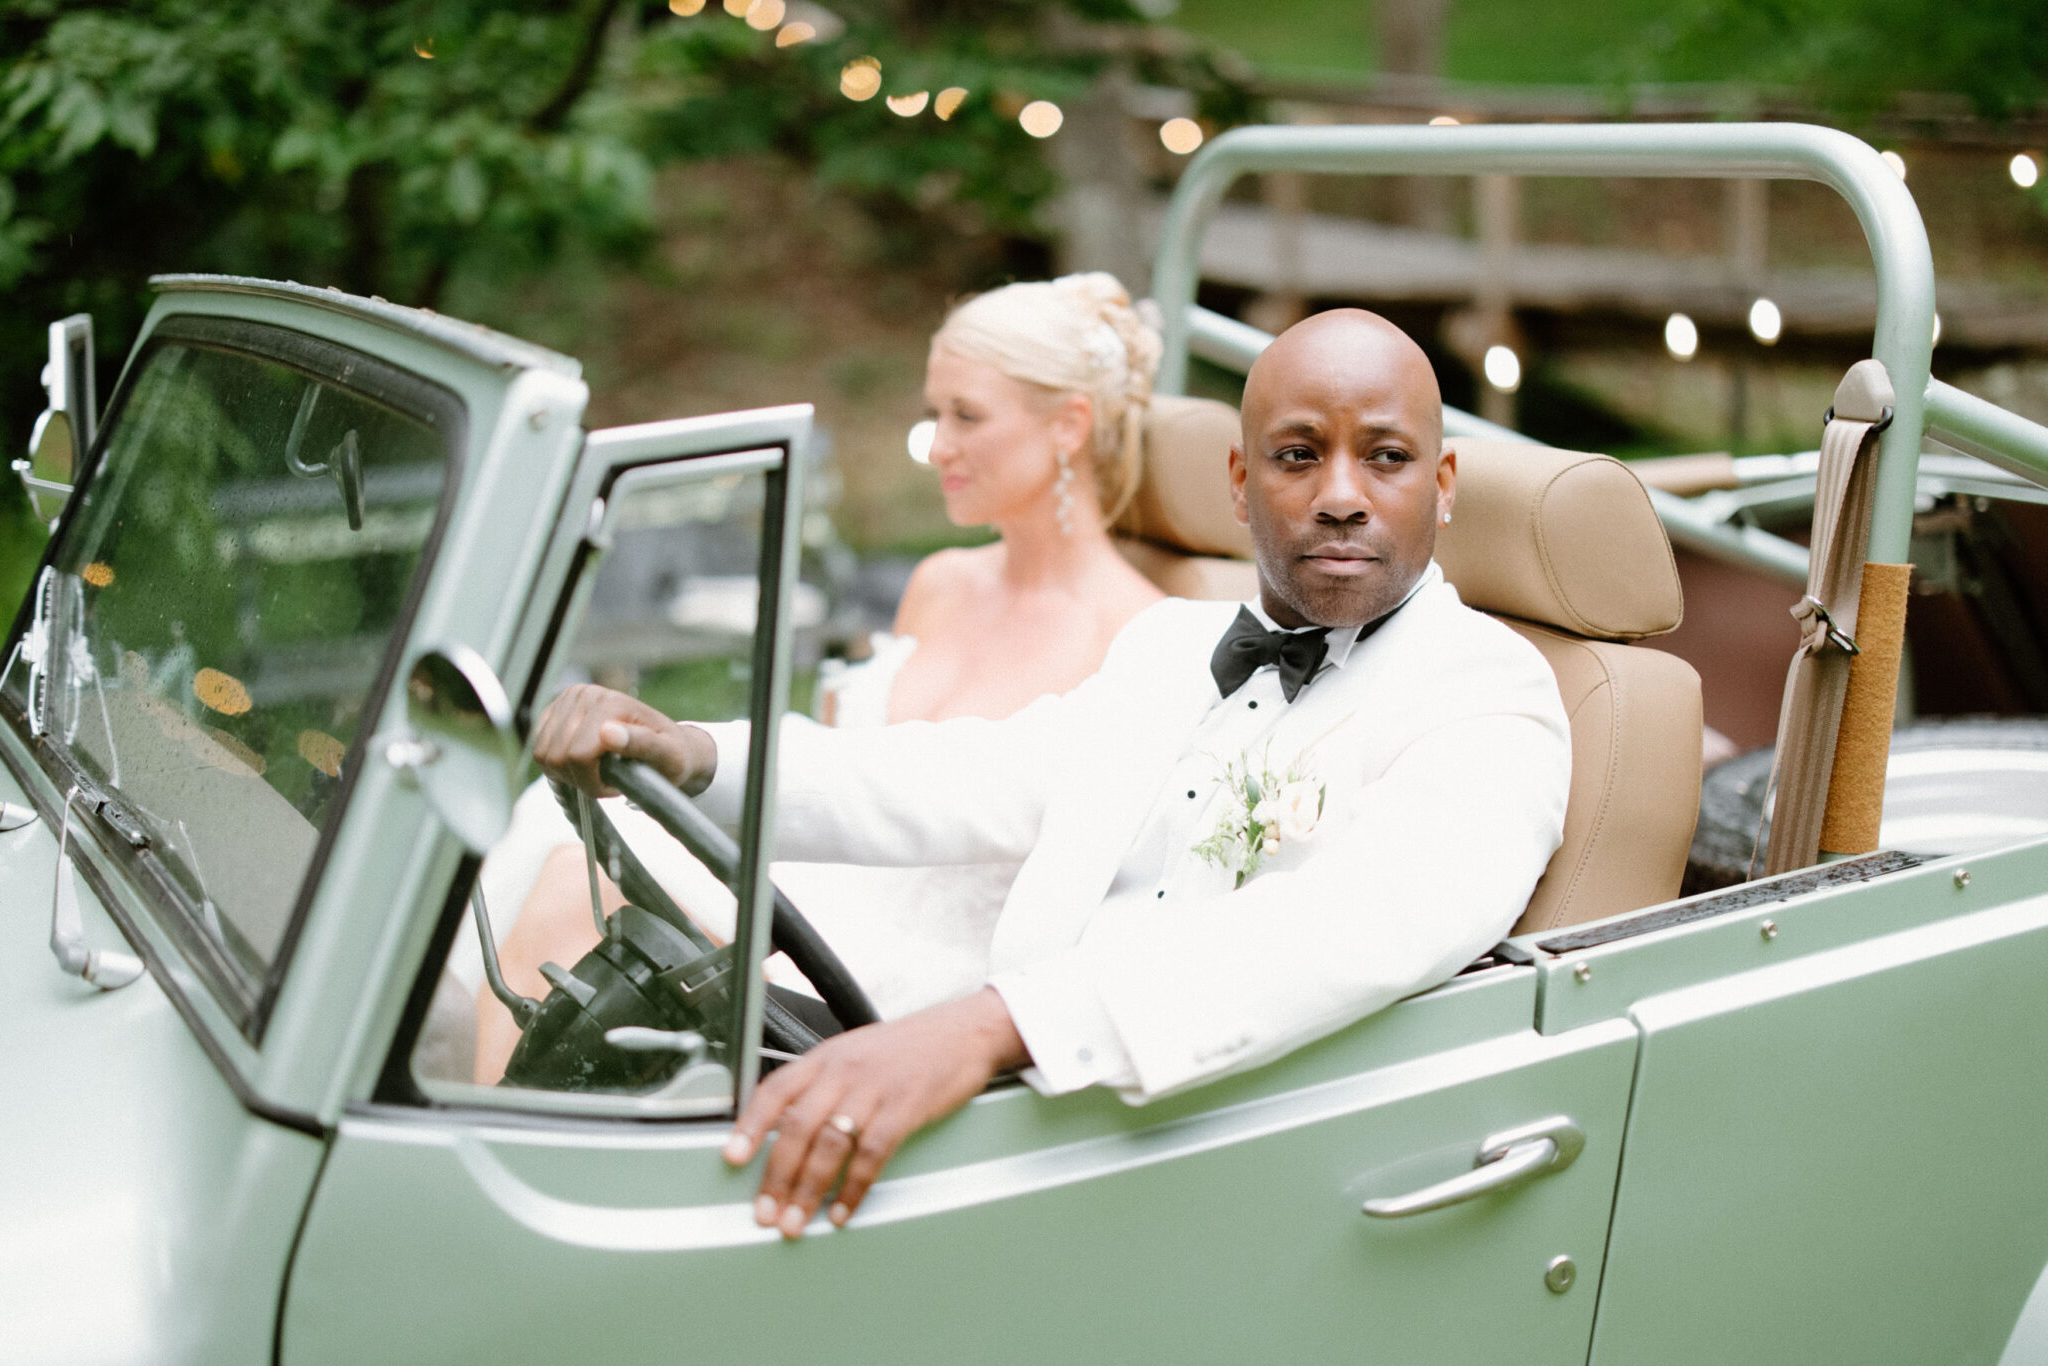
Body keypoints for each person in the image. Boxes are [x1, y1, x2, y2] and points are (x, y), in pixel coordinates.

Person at [531, 307, 1573, 1241]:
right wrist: (696, 752)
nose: (1340, 496)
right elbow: (966, 771)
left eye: (1383, 457)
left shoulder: (1492, 696)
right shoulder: (1167, 648)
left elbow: (1340, 929)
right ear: (1242, 482)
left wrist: (985, 1027)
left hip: (1213, 1159)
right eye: (1298, 455)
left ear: (1439, 487)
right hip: (1028, 1122)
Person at [467, 272, 1166, 1082]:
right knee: (560, 855)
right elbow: (856, 764)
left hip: (914, 968)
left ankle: (493, 1137)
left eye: (965, 417)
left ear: (1069, 426)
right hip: (819, 873)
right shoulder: (942, 579)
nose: (936, 445)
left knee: (574, 901)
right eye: (933, 413)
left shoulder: (1137, 638)